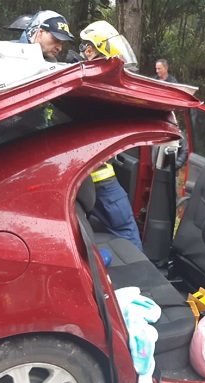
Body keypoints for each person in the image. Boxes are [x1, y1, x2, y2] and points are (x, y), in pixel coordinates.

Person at [79, 21, 143, 250]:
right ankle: (139, 278)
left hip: (85, 178)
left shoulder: (80, 84)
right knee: (127, 230)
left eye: (88, 48)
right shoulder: (99, 89)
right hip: (101, 180)